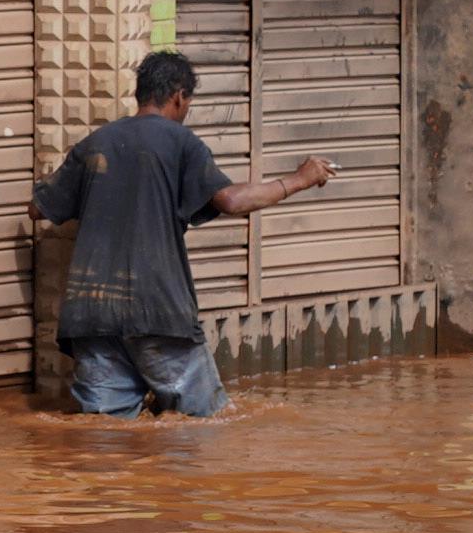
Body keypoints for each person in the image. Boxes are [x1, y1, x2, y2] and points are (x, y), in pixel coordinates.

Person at [31, 50, 332, 418]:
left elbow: (38, 208)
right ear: (178, 96)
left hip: (92, 315)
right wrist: (299, 179)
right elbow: (231, 200)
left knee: (103, 433)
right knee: (207, 424)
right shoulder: (181, 142)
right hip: (157, 310)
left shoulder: (95, 145)